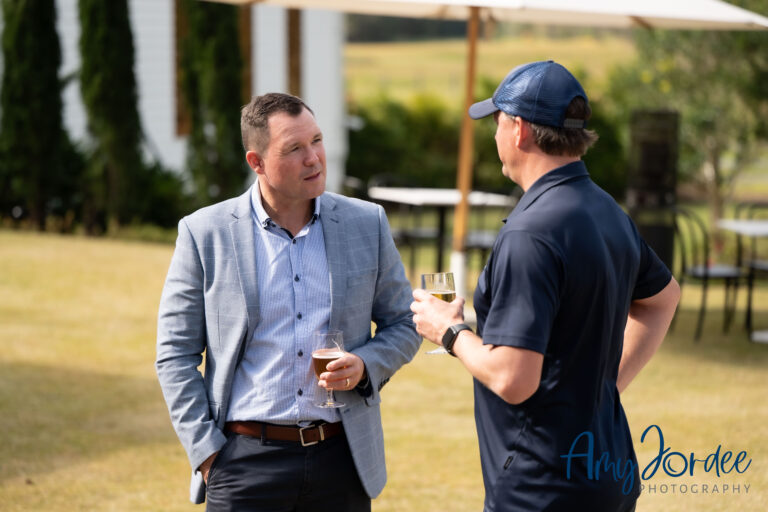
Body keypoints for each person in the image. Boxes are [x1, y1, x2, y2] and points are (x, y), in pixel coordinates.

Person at [411, 61, 680, 512]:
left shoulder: (530, 233)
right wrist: (603, 390)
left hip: (542, 489)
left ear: (518, 130)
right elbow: (664, 298)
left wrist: (450, 332)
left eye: (497, 121)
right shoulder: (607, 210)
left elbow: (513, 378)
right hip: (606, 475)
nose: (495, 133)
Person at [156, 92, 420, 511]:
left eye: (316, 141)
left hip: (342, 459)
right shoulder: (204, 233)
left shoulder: (367, 223)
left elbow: (404, 323)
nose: (313, 158)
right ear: (257, 162)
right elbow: (174, 354)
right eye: (294, 148)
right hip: (243, 464)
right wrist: (207, 454)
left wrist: (365, 364)